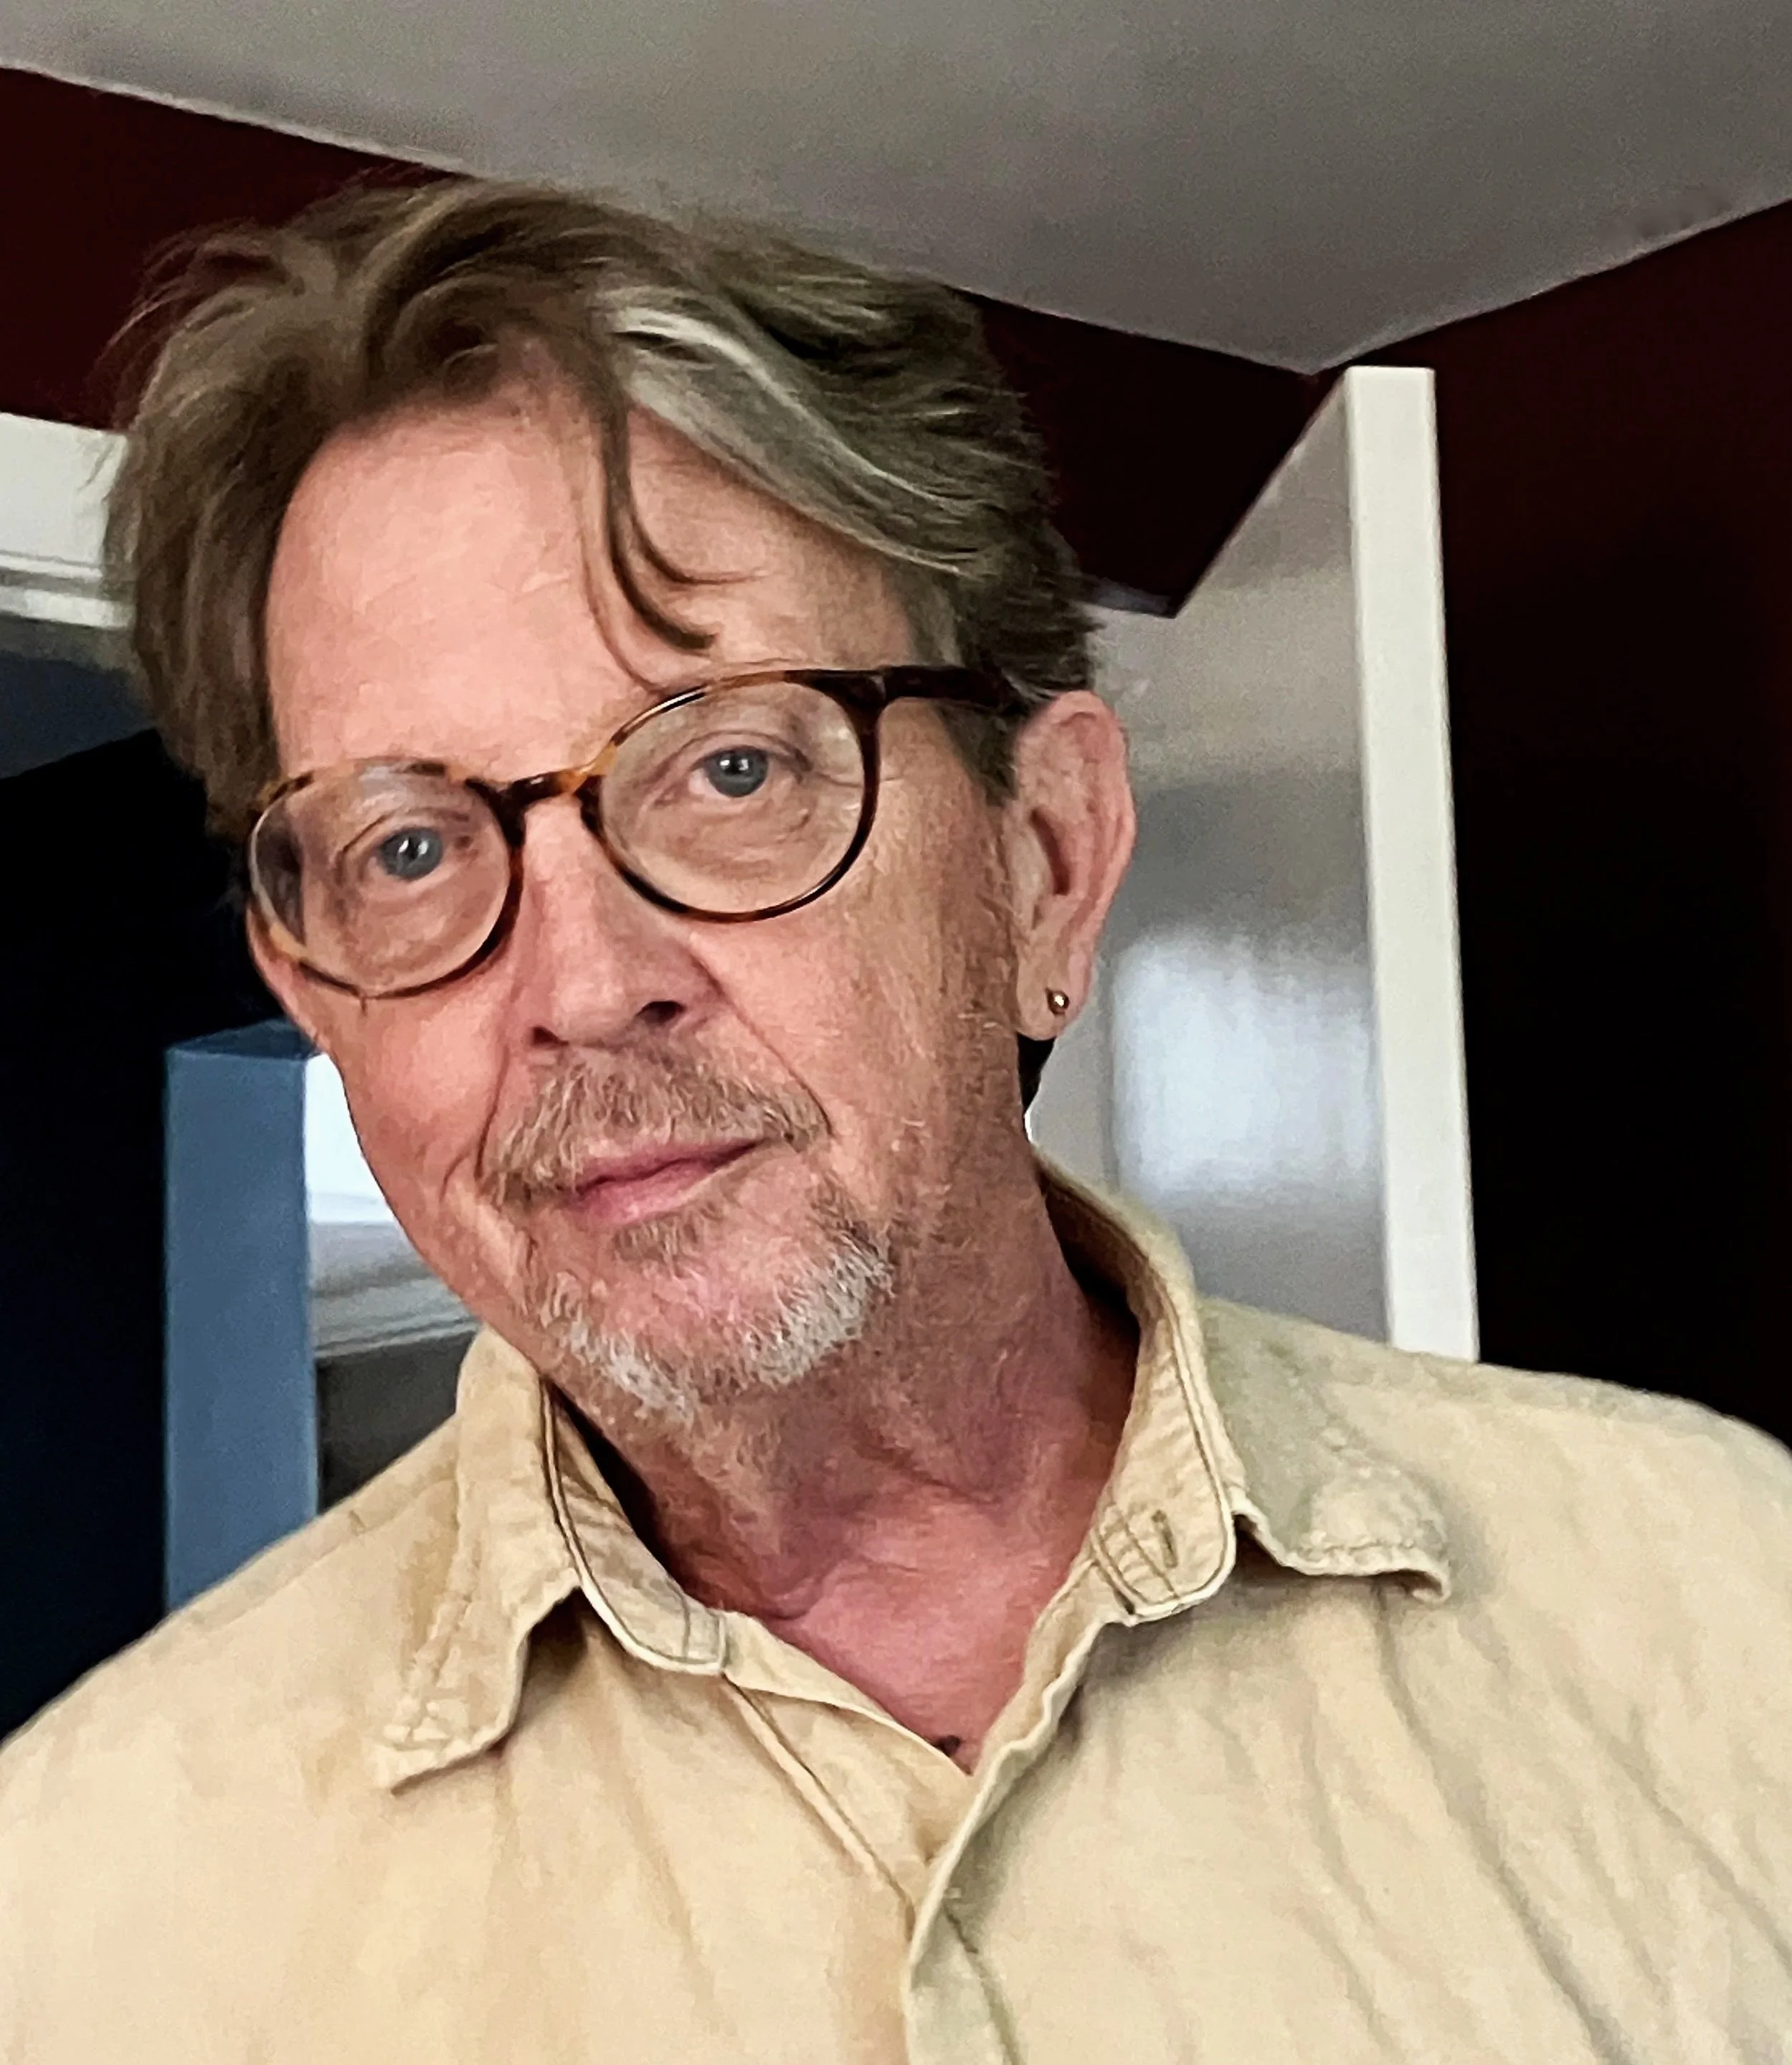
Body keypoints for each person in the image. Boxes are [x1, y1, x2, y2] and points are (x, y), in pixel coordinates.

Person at [1, 179, 1787, 2064]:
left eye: (731, 765)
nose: (584, 980)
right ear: (315, 993)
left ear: (1045, 862)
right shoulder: (84, 1909)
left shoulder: (1721, 1611)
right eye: (412, 848)